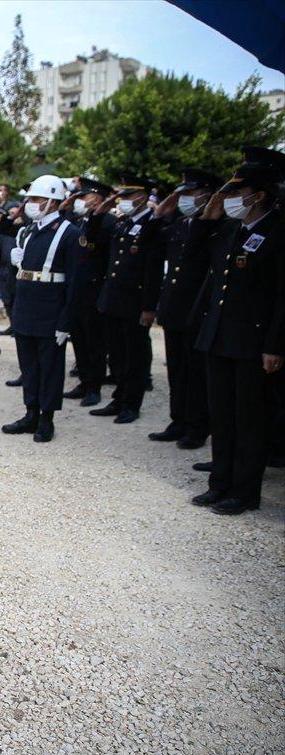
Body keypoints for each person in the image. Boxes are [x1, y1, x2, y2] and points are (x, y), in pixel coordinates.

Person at [187, 146, 284, 516]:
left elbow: (280, 296)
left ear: (258, 195)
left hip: (253, 342)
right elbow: (194, 259)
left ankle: (244, 493)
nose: (228, 198)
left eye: (236, 192)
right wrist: (207, 220)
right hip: (219, 336)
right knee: (222, 414)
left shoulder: (277, 232)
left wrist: (274, 345)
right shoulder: (230, 230)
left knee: (249, 419)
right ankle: (219, 483)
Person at [0, 175, 83, 442]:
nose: (30, 204)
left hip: (50, 310)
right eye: (30, 199)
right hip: (27, 306)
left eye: (36, 199)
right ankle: (31, 412)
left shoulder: (70, 233)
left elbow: (75, 283)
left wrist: (65, 322)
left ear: (53, 201)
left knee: (50, 367)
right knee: (30, 365)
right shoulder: (30, 230)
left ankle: (47, 418)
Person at [148, 168, 221, 449]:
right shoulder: (180, 222)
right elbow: (151, 237)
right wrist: (164, 208)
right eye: (183, 193)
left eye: (190, 193)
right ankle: (177, 420)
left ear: (207, 195)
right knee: (177, 371)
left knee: (196, 374)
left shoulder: (215, 227)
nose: (185, 198)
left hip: (197, 310)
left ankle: (197, 426)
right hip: (176, 308)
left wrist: (207, 216)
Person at [91, 177, 164, 424]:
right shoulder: (121, 223)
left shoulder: (151, 226)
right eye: (121, 196)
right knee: (117, 354)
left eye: (128, 196)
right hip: (113, 299)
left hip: (135, 301)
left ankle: (132, 403)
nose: (122, 201)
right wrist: (103, 208)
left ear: (142, 197)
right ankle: (119, 397)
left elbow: (152, 270)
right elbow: (92, 234)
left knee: (135, 356)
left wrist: (149, 307)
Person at [63, 177, 116, 408]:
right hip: (76, 287)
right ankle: (84, 381)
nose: (80, 200)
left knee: (95, 342)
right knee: (79, 340)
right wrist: (65, 208)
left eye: (85, 196)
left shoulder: (108, 221)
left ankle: (94, 386)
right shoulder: (78, 220)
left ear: (98, 198)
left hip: (94, 288)